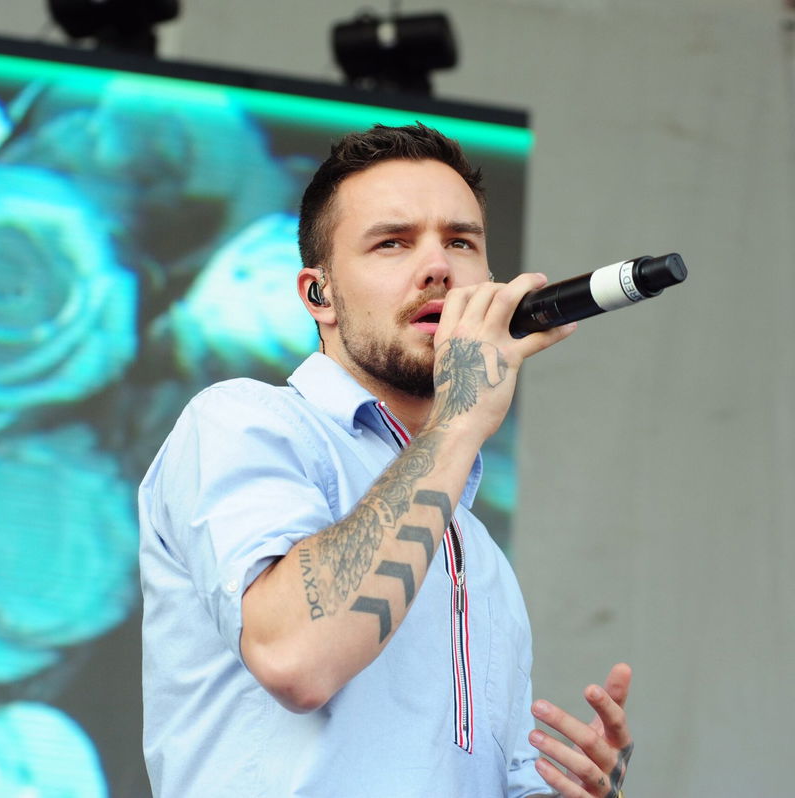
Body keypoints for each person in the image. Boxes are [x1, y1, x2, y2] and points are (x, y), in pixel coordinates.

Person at [138, 123, 634, 797]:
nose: (438, 267)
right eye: (392, 243)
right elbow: (296, 658)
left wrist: (581, 790)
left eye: (461, 242)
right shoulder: (241, 423)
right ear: (320, 296)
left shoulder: (477, 551)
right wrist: (461, 419)